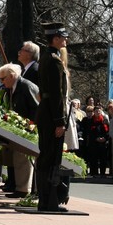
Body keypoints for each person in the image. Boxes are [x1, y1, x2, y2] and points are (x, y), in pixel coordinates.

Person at [35, 22, 71, 212]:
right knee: (50, 157)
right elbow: (56, 94)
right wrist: (60, 121)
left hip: (46, 112)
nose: (66, 40)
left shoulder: (46, 58)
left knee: (46, 156)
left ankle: (46, 200)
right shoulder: (54, 60)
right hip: (51, 114)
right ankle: (48, 201)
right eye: (63, 37)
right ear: (55, 38)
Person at [0, 63, 39, 197]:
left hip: (29, 129)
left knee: (24, 159)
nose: (1, 82)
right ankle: (21, 188)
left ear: (12, 76)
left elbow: (36, 107)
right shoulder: (11, 88)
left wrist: (31, 125)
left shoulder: (26, 86)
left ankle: (24, 190)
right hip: (19, 129)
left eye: (3, 79)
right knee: (17, 159)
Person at [87, 106, 109, 177]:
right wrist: (96, 138)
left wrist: (105, 138)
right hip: (94, 143)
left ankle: (102, 173)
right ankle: (94, 173)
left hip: (103, 143)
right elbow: (89, 132)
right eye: (96, 111)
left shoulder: (104, 120)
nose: (98, 112)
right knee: (94, 158)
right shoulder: (91, 121)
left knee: (103, 159)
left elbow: (108, 131)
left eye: (99, 111)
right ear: (94, 112)